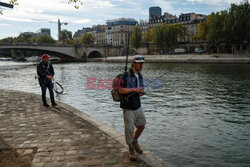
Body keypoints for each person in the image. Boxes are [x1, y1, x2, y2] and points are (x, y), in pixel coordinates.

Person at [119, 55, 146, 161]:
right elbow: (121, 90)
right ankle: (130, 149)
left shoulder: (140, 75)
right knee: (129, 130)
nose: (141, 65)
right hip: (128, 107)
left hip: (137, 105)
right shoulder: (125, 75)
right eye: (139, 63)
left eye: (142, 63)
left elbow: (140, 89)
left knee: (142, 125)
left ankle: (134, 141)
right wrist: (135, 89)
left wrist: (140, 92)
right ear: (133, 63)